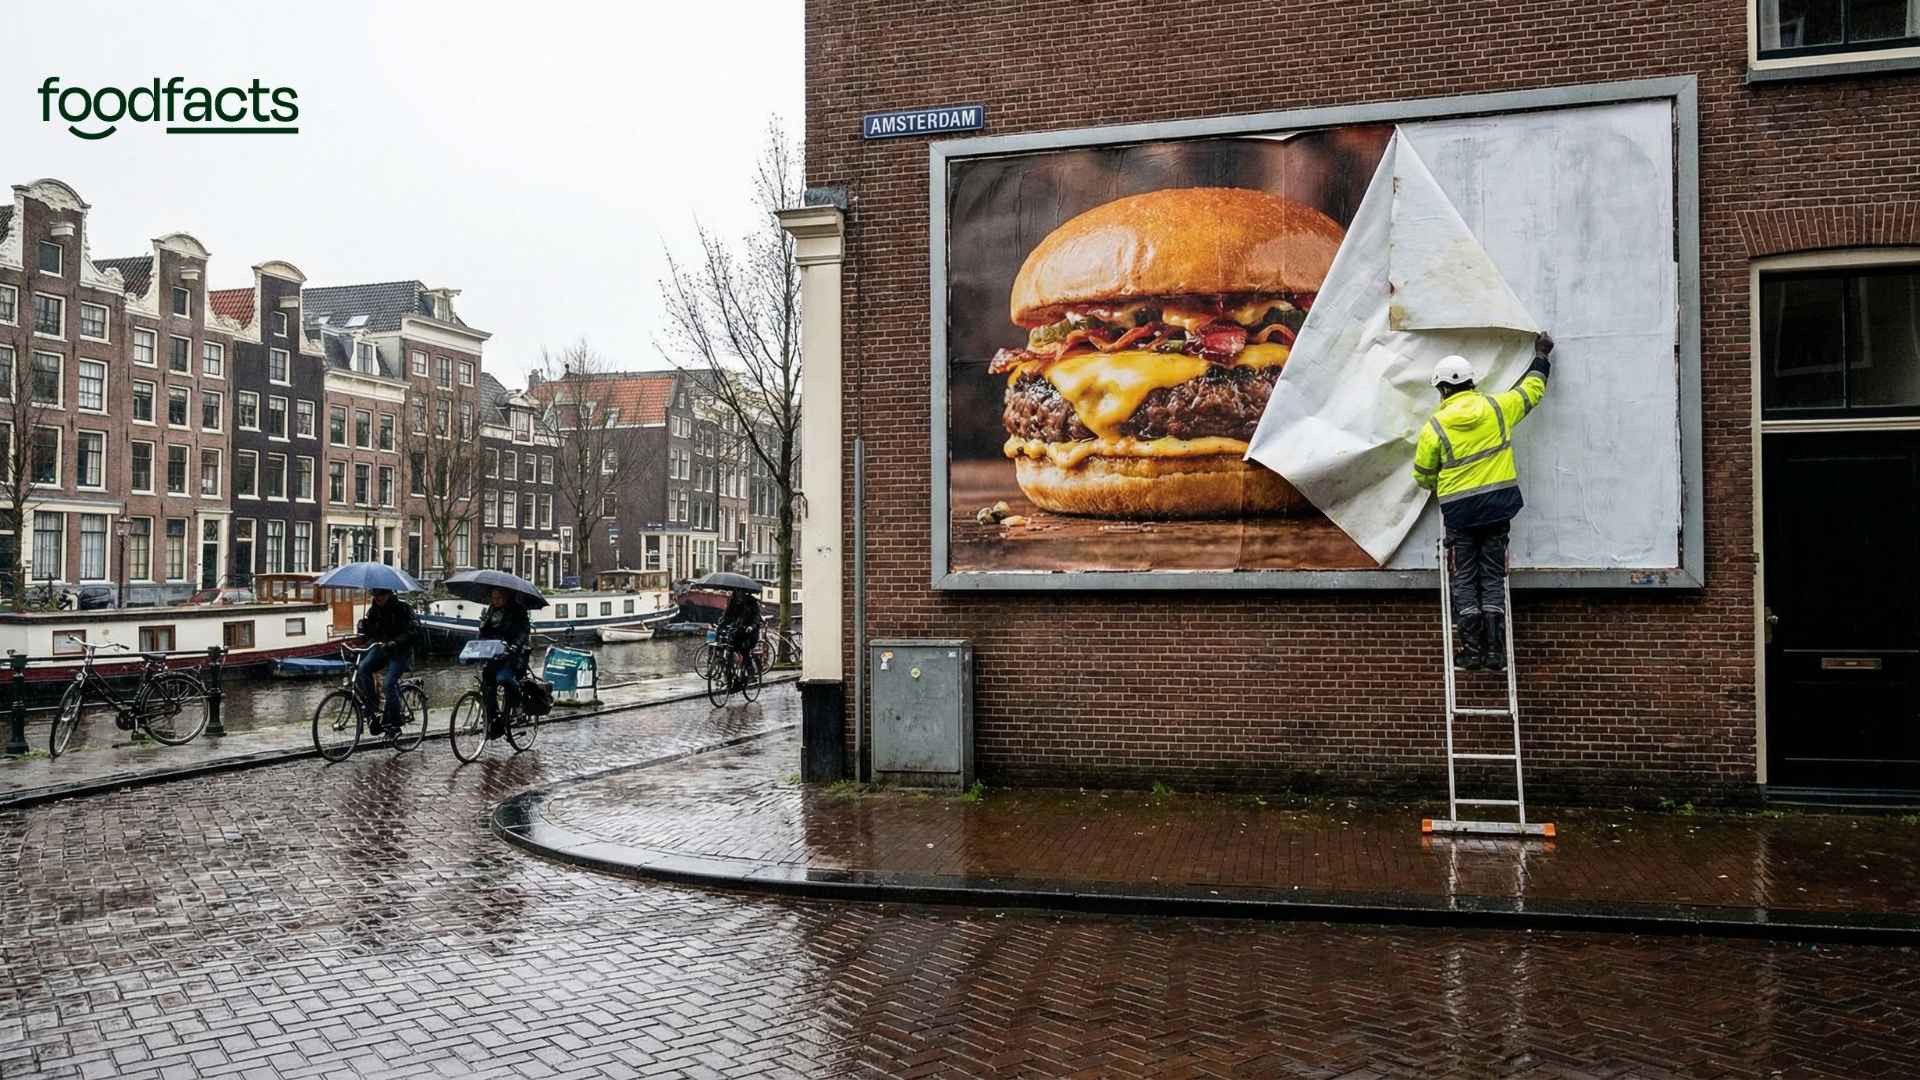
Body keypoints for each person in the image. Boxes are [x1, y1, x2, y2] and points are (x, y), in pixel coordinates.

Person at [1414, 332, 1555, 673]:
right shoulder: (1497, 408)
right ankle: (1495, 654)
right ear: (1472, 383)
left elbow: (1421, 475)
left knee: (1464, 579)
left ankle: (1472, 652)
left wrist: (1440, 486)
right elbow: (1532, 392)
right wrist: (1541, 356)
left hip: (1460, 515)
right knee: (1492, 577)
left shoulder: (1435, 427)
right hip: (1497, 509)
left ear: (1442, 389)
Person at [355, 587, 419, 735]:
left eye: (381, 594)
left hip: (400, 651)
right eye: (374, 594)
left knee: (388, 684)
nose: (377, 597)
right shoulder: (374, 610)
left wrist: (396, 642)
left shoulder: (403, 609)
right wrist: (364, 629)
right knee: (363, 669)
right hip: (382, 648)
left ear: (390, 594)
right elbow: (371, 633)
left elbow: (413, 632)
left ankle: (395, 723)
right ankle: (373, 707)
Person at [476, 586, 531, 737]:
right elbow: (484, 632)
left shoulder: (518, 611)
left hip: (513, 656)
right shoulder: (490, 611)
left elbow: (524, 630)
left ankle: (518, 703)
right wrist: (480, 634)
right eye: (493, 598)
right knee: (487, 683)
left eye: (499, 598)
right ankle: (493, 716)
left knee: (503, 678)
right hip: (495, 653)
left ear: (506, 597)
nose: (495, 601)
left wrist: (515, 646)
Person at [716, 588, 763, 678]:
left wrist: (751, 627)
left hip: (750, 633)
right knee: (728, 648)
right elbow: (727, 615)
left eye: (740, 592)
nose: (738, 594)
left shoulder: (751, 602)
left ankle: (751, 673)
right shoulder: (733, 601)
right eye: (737, 592)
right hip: (737, 630)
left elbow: (757, 617)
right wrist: (721, 624)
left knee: (744, 650)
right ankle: (729, 672)